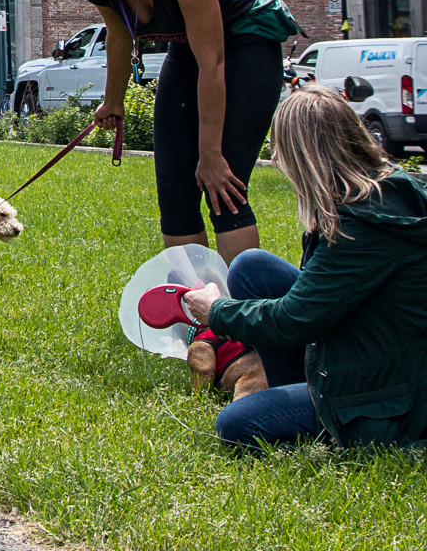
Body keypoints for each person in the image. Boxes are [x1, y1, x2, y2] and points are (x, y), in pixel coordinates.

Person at [179, 86, 427, 450]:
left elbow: (295, 319)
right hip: (381, 347)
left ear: (303, 158)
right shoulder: (391, 189)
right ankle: (298, 388)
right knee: (252, 268)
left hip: (388, 395)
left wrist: (217, 311)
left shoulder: (360, 227)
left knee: (237, 424)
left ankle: (332, 430)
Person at [55, 0, 290, 263]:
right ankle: (197, 309)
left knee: (222, 190)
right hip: (185, 51)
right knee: (175, 198)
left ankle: (243, 308)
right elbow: (119, 36)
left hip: (244, 49)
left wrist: (210, 154)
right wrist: (112, 100)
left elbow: (212, 63)